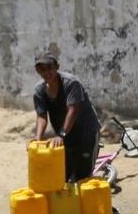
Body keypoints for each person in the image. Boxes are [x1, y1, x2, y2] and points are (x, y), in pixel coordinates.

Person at [31, 53, 103, 184]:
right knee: (62, 176)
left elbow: (73, 110)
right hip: (65, 136)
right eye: (42, 69)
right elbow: (41, 116)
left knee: (83, 178)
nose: (46, 72)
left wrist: (61, 134)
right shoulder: (39, 90)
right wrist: (37, 138)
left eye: (49, 67)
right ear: (37, 71)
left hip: (86, 134)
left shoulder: (70, 83)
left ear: (57, 67)